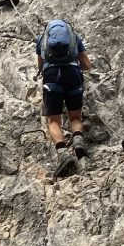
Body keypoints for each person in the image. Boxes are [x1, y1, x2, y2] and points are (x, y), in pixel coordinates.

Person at [36, 18, 93, 168]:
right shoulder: (74, 38)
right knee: (75, 117)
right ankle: (78, 143)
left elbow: (40, 66)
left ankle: (63, 154)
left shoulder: (42, 39)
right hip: (73, 74)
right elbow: (87, 65)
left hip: (52, 77)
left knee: (53, 121)